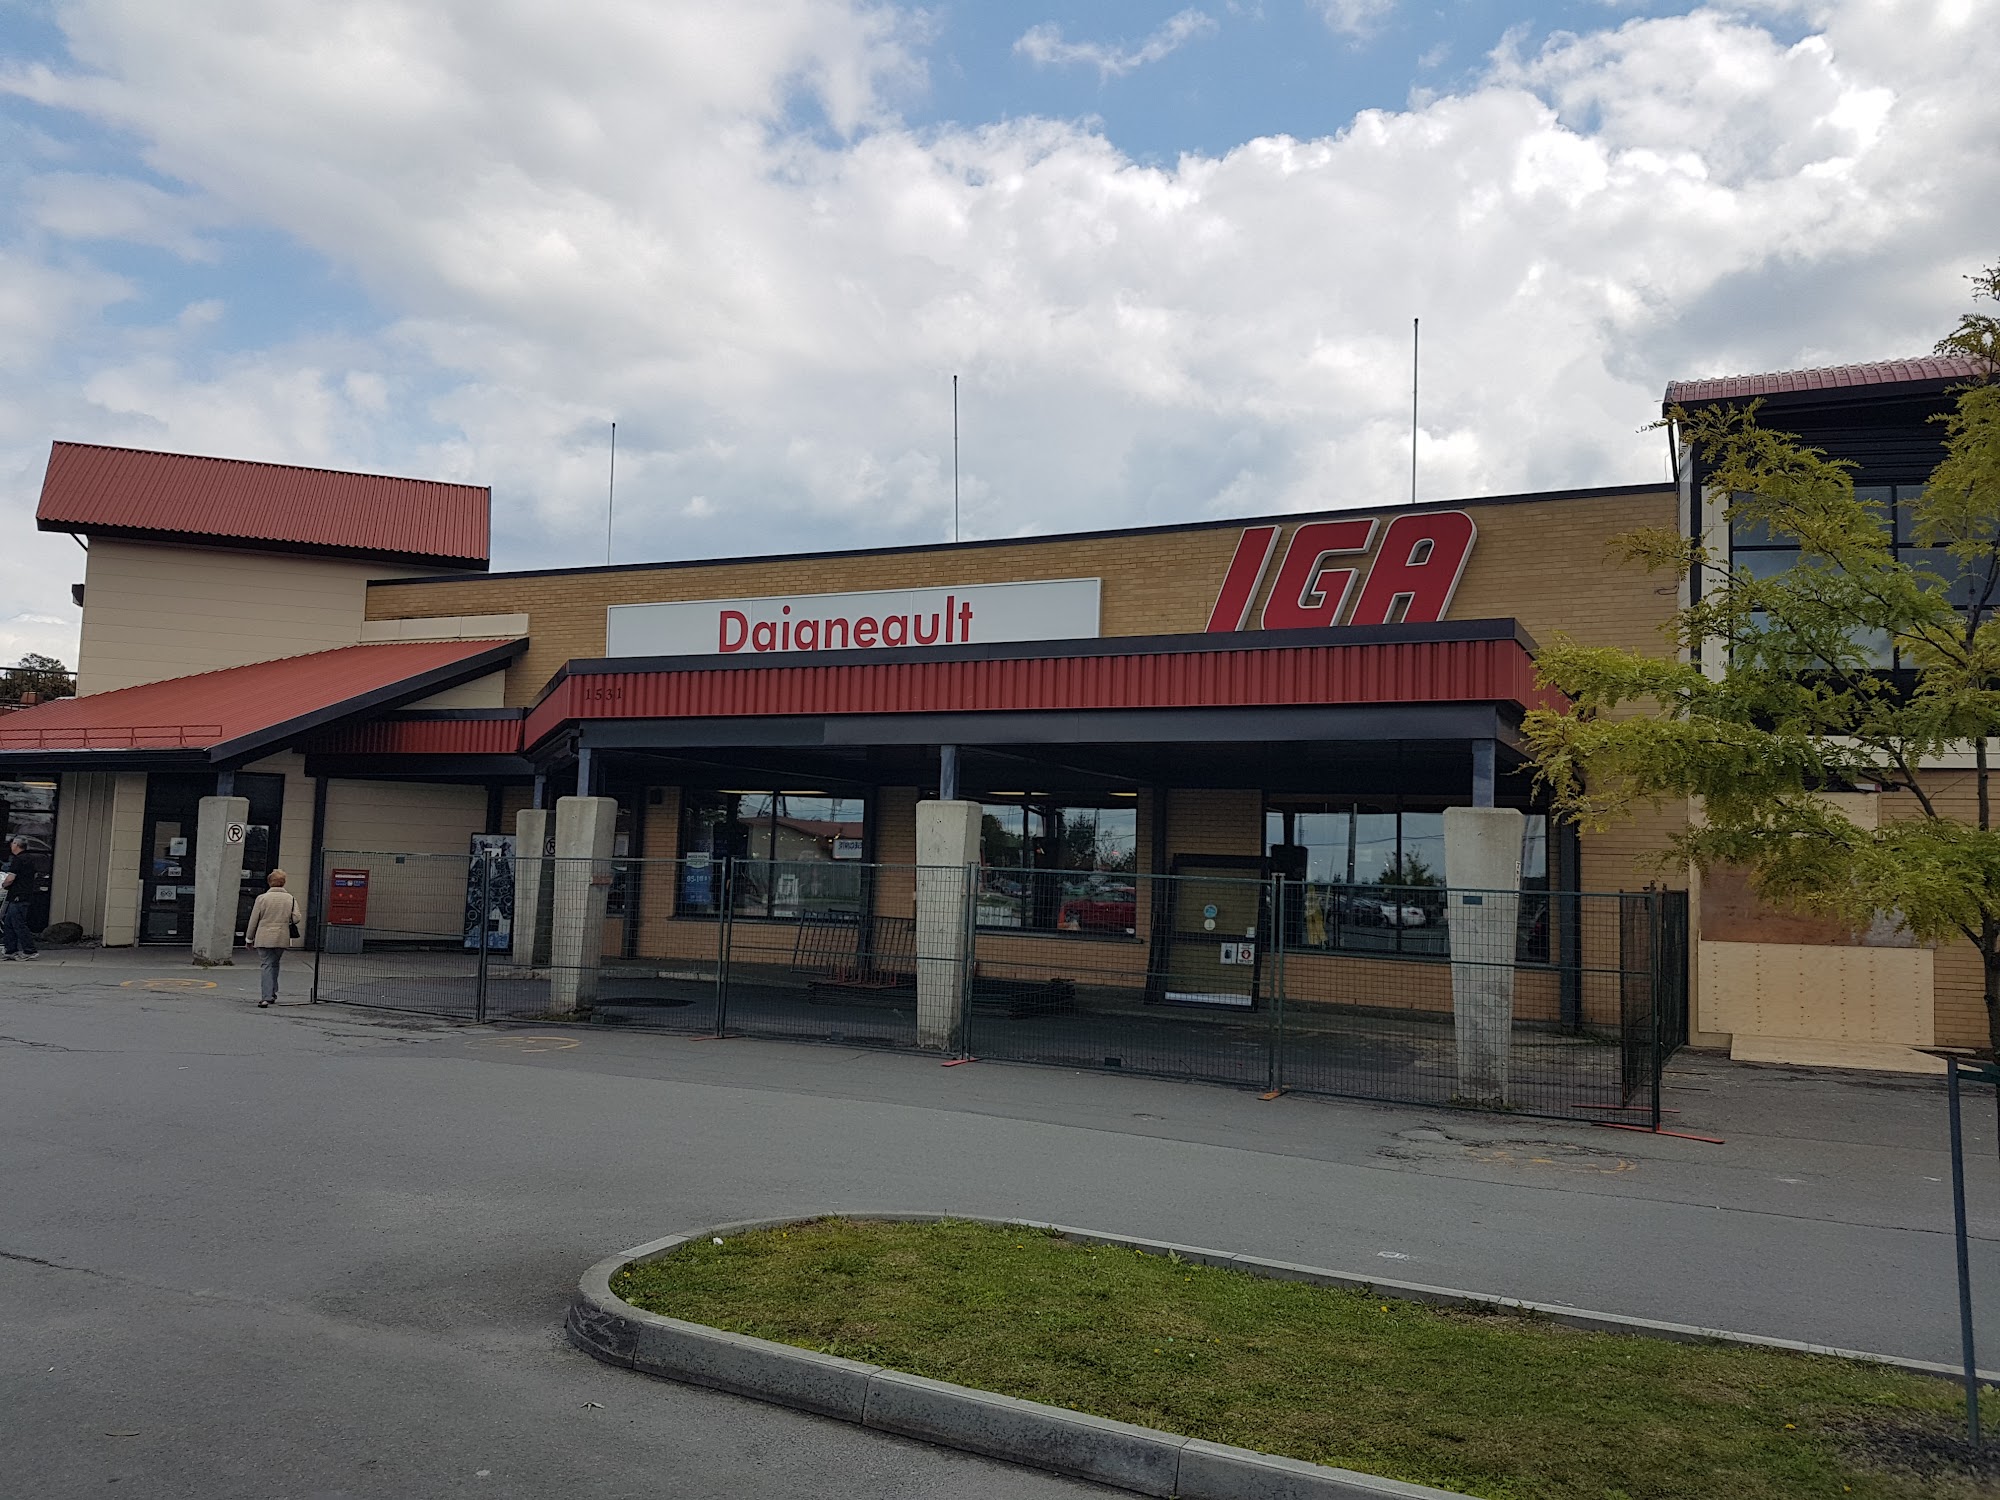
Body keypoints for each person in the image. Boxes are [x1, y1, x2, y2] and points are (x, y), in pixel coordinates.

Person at [244, 869, 300, 1006]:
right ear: (283, 882)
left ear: (270, 882)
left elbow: (254, 920)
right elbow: (296, 918)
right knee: (275, 963)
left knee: (266, 964)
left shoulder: (262, 898)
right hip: (282, 936)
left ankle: (266, 996)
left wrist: (249, 939)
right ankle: (273, 992)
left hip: (264, 936)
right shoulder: (290, 899)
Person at [1, 836, 40, 960]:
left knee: (18, 923)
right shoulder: (30, 859)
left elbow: (10, 879)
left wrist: (3, 884)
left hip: (18, 895)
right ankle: (10, 950)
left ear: (16, 845)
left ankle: (30, 950)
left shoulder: (18, 860)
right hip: (25, 894)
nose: (11, 845)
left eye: (13, 843)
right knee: (9, 923)